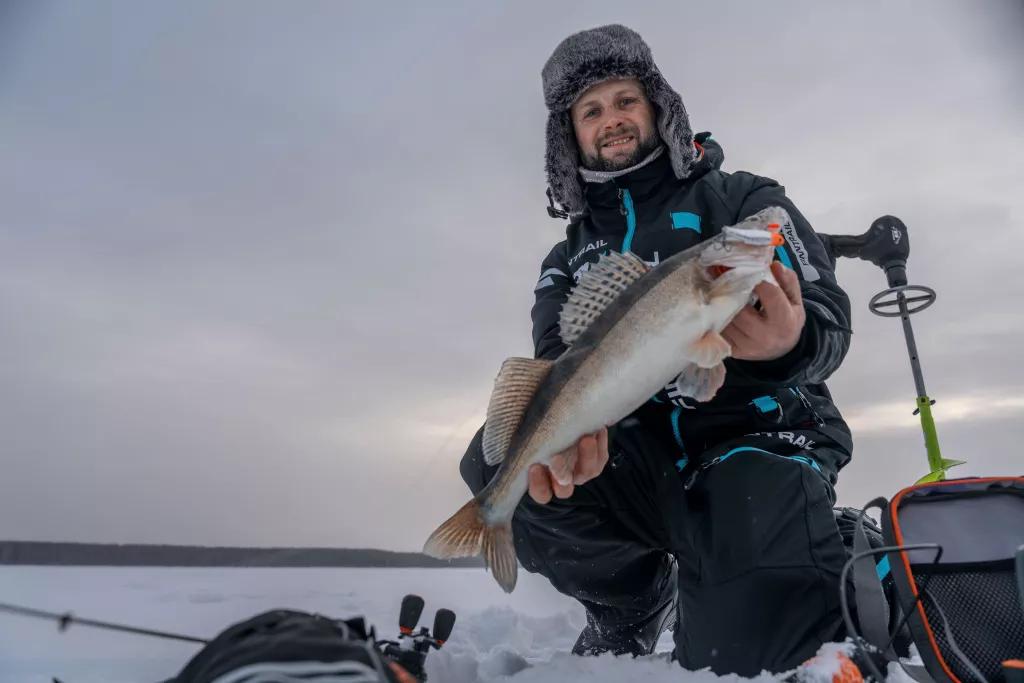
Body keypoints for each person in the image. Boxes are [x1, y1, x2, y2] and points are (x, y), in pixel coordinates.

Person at [459, 24, 855, 677]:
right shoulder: (564, 261)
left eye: (625, 100)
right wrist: (574, 437)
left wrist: (793, 341)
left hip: (757, 445)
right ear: (571, 134)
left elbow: (829, 318)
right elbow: (559, 361)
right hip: (641, 466)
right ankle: (630, 602)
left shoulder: (744, 200)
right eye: (591, 110)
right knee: (497, 457)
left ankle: (790, 551)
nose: (611, 119)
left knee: (743, 656)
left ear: (657, 107)